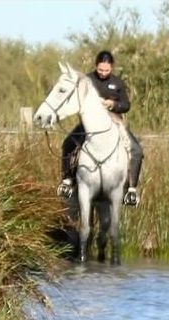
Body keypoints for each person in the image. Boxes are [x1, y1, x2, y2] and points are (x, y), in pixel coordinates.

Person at [60, 50, 144, 208]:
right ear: (96, 66)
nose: (104, 73)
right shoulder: (86, 80)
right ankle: (67, 180)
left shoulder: (117, 83)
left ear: (111, 67)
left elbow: (126, 105)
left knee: (136, 150)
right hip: (89, 124)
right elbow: (77, 101)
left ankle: (131, 190)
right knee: (68, 144)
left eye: (107, 70)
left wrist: (113, 104)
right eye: (100, 70)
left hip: (114, 122)